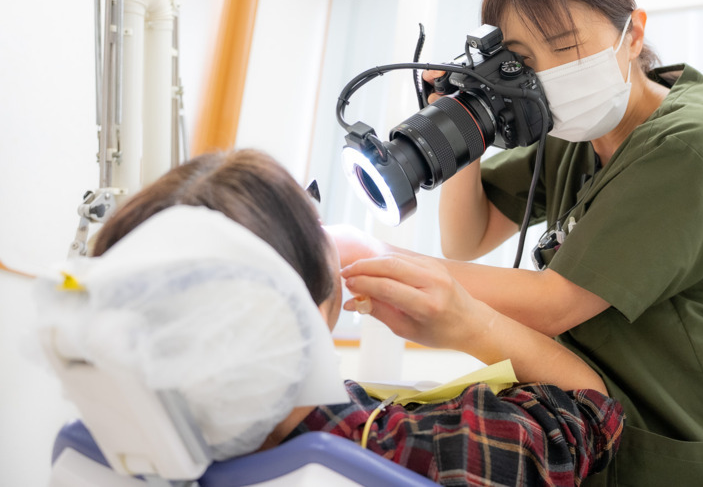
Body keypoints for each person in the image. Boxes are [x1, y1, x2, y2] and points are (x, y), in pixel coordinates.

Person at [340, 0, 703, 486]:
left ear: (633, 32)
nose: (547, 75)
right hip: (628, 441)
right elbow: (467, 237)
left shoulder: (687, 146)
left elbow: (552, 305)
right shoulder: (574, 133)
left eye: (566, 45)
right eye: (523, 60)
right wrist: (461, 126)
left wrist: (369, 255)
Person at [90, 149, 623, 486]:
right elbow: (590, 405)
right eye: (313, 216)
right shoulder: (430, 452)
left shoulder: (117, 442)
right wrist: (471, 325)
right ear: (292, 309)